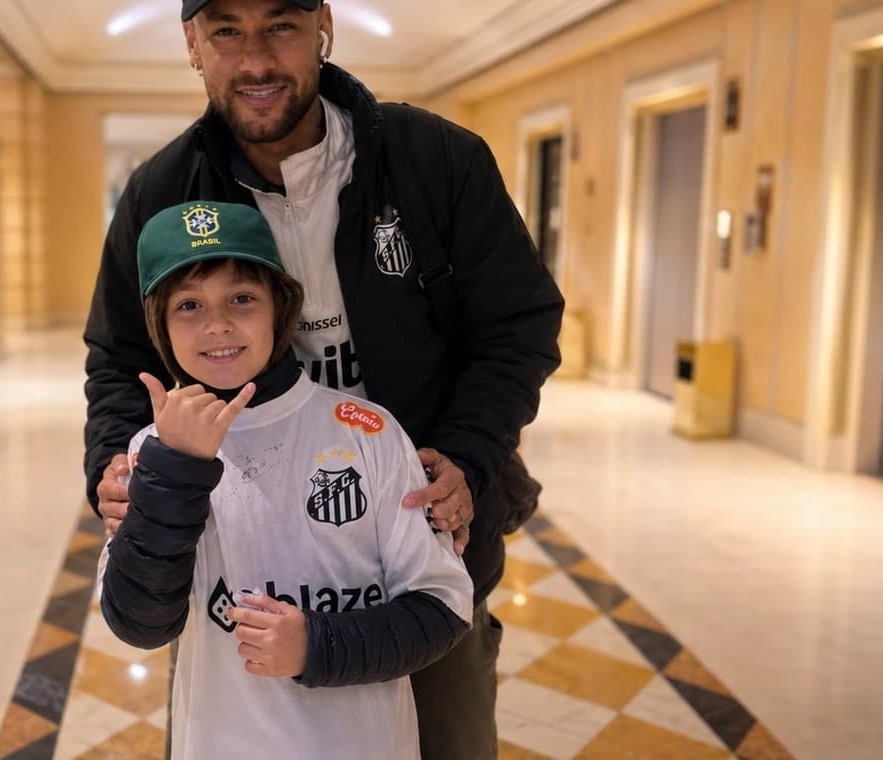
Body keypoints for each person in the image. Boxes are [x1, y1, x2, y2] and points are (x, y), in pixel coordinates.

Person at [84, 1, 565, 756]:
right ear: (191, 44)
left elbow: (518, 326)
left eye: (281, 25)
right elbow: (117, 359)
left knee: (448, 737)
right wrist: (114, 463)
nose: (255, 61)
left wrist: (468, 455)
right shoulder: (164, 191)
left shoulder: (437, 160)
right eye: (225, 32)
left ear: (323, 27)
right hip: (233, 558)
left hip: (417, 536)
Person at [99, 201, 474, 759]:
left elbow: (442, 606)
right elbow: (140, 623)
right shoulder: (150, 452)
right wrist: (176, 467)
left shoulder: (367, 432)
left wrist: (317, 646)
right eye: (189, 305)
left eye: (242, 298)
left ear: (281, 307)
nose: (218, 324)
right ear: (159, 324)